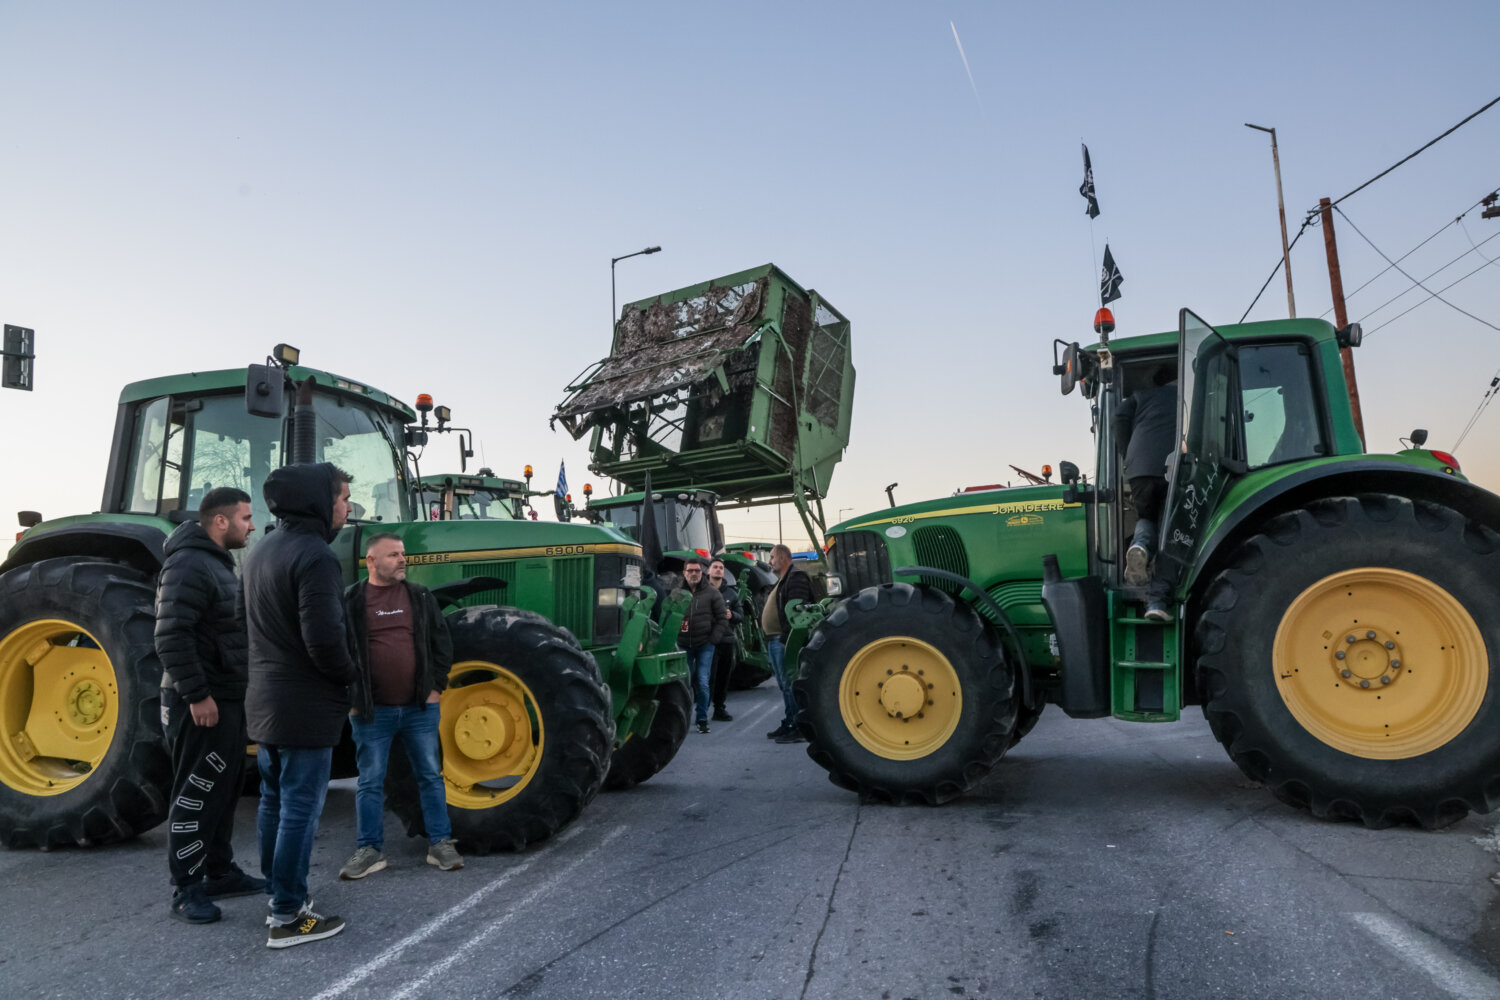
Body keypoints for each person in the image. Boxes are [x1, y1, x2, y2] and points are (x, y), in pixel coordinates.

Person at [243, 463, 357, 949]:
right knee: (299, 811)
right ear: (319, 501)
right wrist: (354, 679)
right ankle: (287, 915)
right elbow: (325, 641)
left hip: (266, 703)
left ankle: (278, 891)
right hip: (304, 707)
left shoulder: (261, 549)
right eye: (344, 498)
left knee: (274, 802)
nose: (348, 508)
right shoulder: (315, 556)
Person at [154, 486, 263, 925]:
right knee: (196, 792)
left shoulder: (214, 563)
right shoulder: (187, 564)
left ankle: (218, 871)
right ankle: (187, 888)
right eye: (245, 518)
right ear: (221, 521)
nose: (252, 525)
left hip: (227, 697)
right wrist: (197, 694)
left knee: (225, 788)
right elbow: (170, 635)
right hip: (202, 701)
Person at [339, 533, 461, 880]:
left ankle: (440, 844)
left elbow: (442, 644)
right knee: (370, 781)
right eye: (393, 555)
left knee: (430, 776)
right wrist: (352, 698)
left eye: (403, 554)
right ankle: (369, 850)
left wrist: (436, 687)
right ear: (371, 561)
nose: (403, 559)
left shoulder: (420, 597)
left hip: (419, 710)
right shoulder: (351, 600)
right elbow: (339, 651)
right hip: (370, 712)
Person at [1113, 364, 1177, 622]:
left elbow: (1119, 416)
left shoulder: (1141, 395)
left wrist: (1128, 454)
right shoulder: (1187, 398)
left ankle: (1139, 546)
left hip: (1139, 471)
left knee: (1146, 518)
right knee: (1170, 535)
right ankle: (1157, 602)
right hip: (1172, 469)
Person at [762, 544, 814, 744]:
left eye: (772, 557)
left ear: (783, 558)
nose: (770, 561)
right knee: (785, 685)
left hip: (783, 640)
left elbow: (796, 613)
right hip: (775, 639)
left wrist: (787, 638)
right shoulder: (783, 580)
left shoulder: (796, 578)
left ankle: (798, 727)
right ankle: (790, 721)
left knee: (790, 684)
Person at [678, 558, 728, 734]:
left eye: (697, 571)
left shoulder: (712, 593)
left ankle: (701, 719)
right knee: (683, 681)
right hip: (683, 645)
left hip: (705, 644)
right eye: (690, 570)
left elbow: (722, 619)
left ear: (702, 573)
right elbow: (668, 615)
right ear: (684, 573)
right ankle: (681, 719)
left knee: (702, 681)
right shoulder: (676, 593)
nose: (693, 574)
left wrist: (713, 639)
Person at [707, 558, 740, 723]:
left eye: (721, 567)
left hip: (726, 641)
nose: (718, 570)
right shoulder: (701, 591)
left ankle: (719, 708)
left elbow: (740, 614)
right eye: (715, 567)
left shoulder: (731, 594)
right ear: (709, 571)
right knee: (706, 677)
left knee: (723, 677)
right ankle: (701, 711)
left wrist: (732, 615)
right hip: (707, 641)